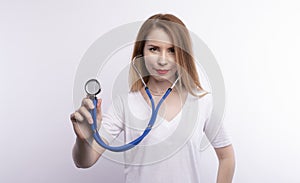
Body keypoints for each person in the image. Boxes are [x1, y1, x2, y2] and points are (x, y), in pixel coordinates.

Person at [70, 13, 235, 183]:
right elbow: (84, 161)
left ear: (183, 55)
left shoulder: (201, 102)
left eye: (172, 50)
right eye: (154, 49)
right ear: (141, 52)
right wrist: (83, 139)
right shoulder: (125, 104)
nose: (162, 60)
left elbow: (226, 157)